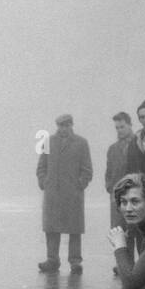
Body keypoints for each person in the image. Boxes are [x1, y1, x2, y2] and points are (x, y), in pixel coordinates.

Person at [37, 114, 93, 273]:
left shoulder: (81, 143)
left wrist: (80, 184)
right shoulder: (48, 142)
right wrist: (44, 182)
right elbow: (41, 166)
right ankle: (52, 260)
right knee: (51, 229)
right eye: (60, 126)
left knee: (74, 230)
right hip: (52, 193)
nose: (63, 129)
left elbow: (87, 169)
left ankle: (75, 262)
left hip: (73, 194)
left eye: (66, 125)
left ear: (71, 125)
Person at [104, 112, 135, 232]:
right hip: (116, 198)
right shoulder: (113, 148)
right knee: (117, 233)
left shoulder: (138, 144)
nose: (119, 130)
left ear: (130, 125)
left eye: (122, 127)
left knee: (134, 233)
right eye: (117, 128)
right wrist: (109, 187)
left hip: (134, 197)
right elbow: (108, 172)